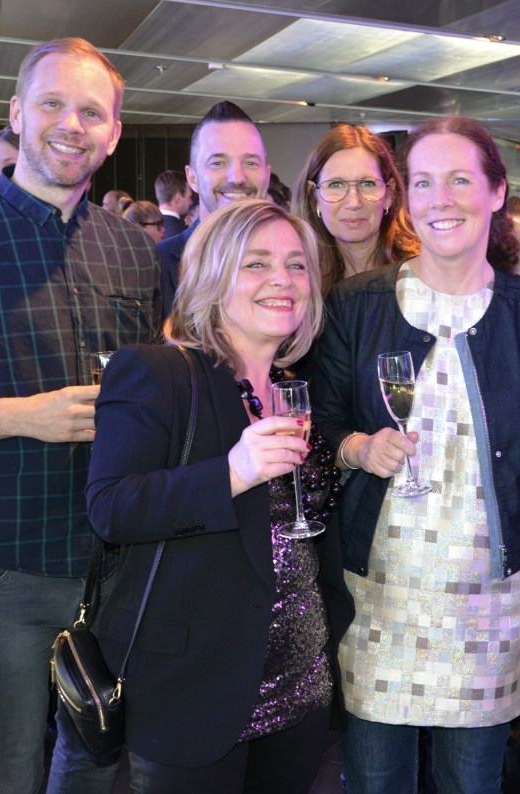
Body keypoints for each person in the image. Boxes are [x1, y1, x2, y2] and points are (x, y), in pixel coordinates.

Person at [0, 37, 160, 793]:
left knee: (95, 756)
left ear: (113, 133)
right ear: (17, 114)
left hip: (112, 562)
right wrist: (27, 416)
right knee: (5, 766)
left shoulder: (132, 251)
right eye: (53, 103)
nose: (71, 125)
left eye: (91, 112)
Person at [312, 116, 520, 793]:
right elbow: (320, 428)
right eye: (424, 182)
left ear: (497, 192)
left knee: (471, 783)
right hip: (380, 597)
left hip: (489, 602)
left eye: (460, 179)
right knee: (375, 782)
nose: (441, 199)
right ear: (406, 198)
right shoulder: (356, 306)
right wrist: (357, 446)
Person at [49, 200, 334, 792]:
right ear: (213, 276)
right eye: (256, 263)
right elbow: (112, 508)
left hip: (300, 684)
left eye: (296, 265)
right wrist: (231, 473)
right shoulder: (157, 372)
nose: (282, 279)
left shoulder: (290, 391)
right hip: (194, 688)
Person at [159, 100, 271, 316]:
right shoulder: (157, 265)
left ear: (266, 174)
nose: (237, 177)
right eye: (218, 163)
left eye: (250, 163)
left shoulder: (295, 265)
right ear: (192, 177)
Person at [293, 123, 419, 294]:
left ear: (389, 194)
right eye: (336, 185)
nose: (353, 203)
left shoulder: (422, 275)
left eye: (367, 183)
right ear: (314, 197)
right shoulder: (301, 286)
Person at [155, 169, 191, 238]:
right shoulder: (183, 235)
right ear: (178, 199)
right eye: (189, 197)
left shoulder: (144, 228)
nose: (190, 201)